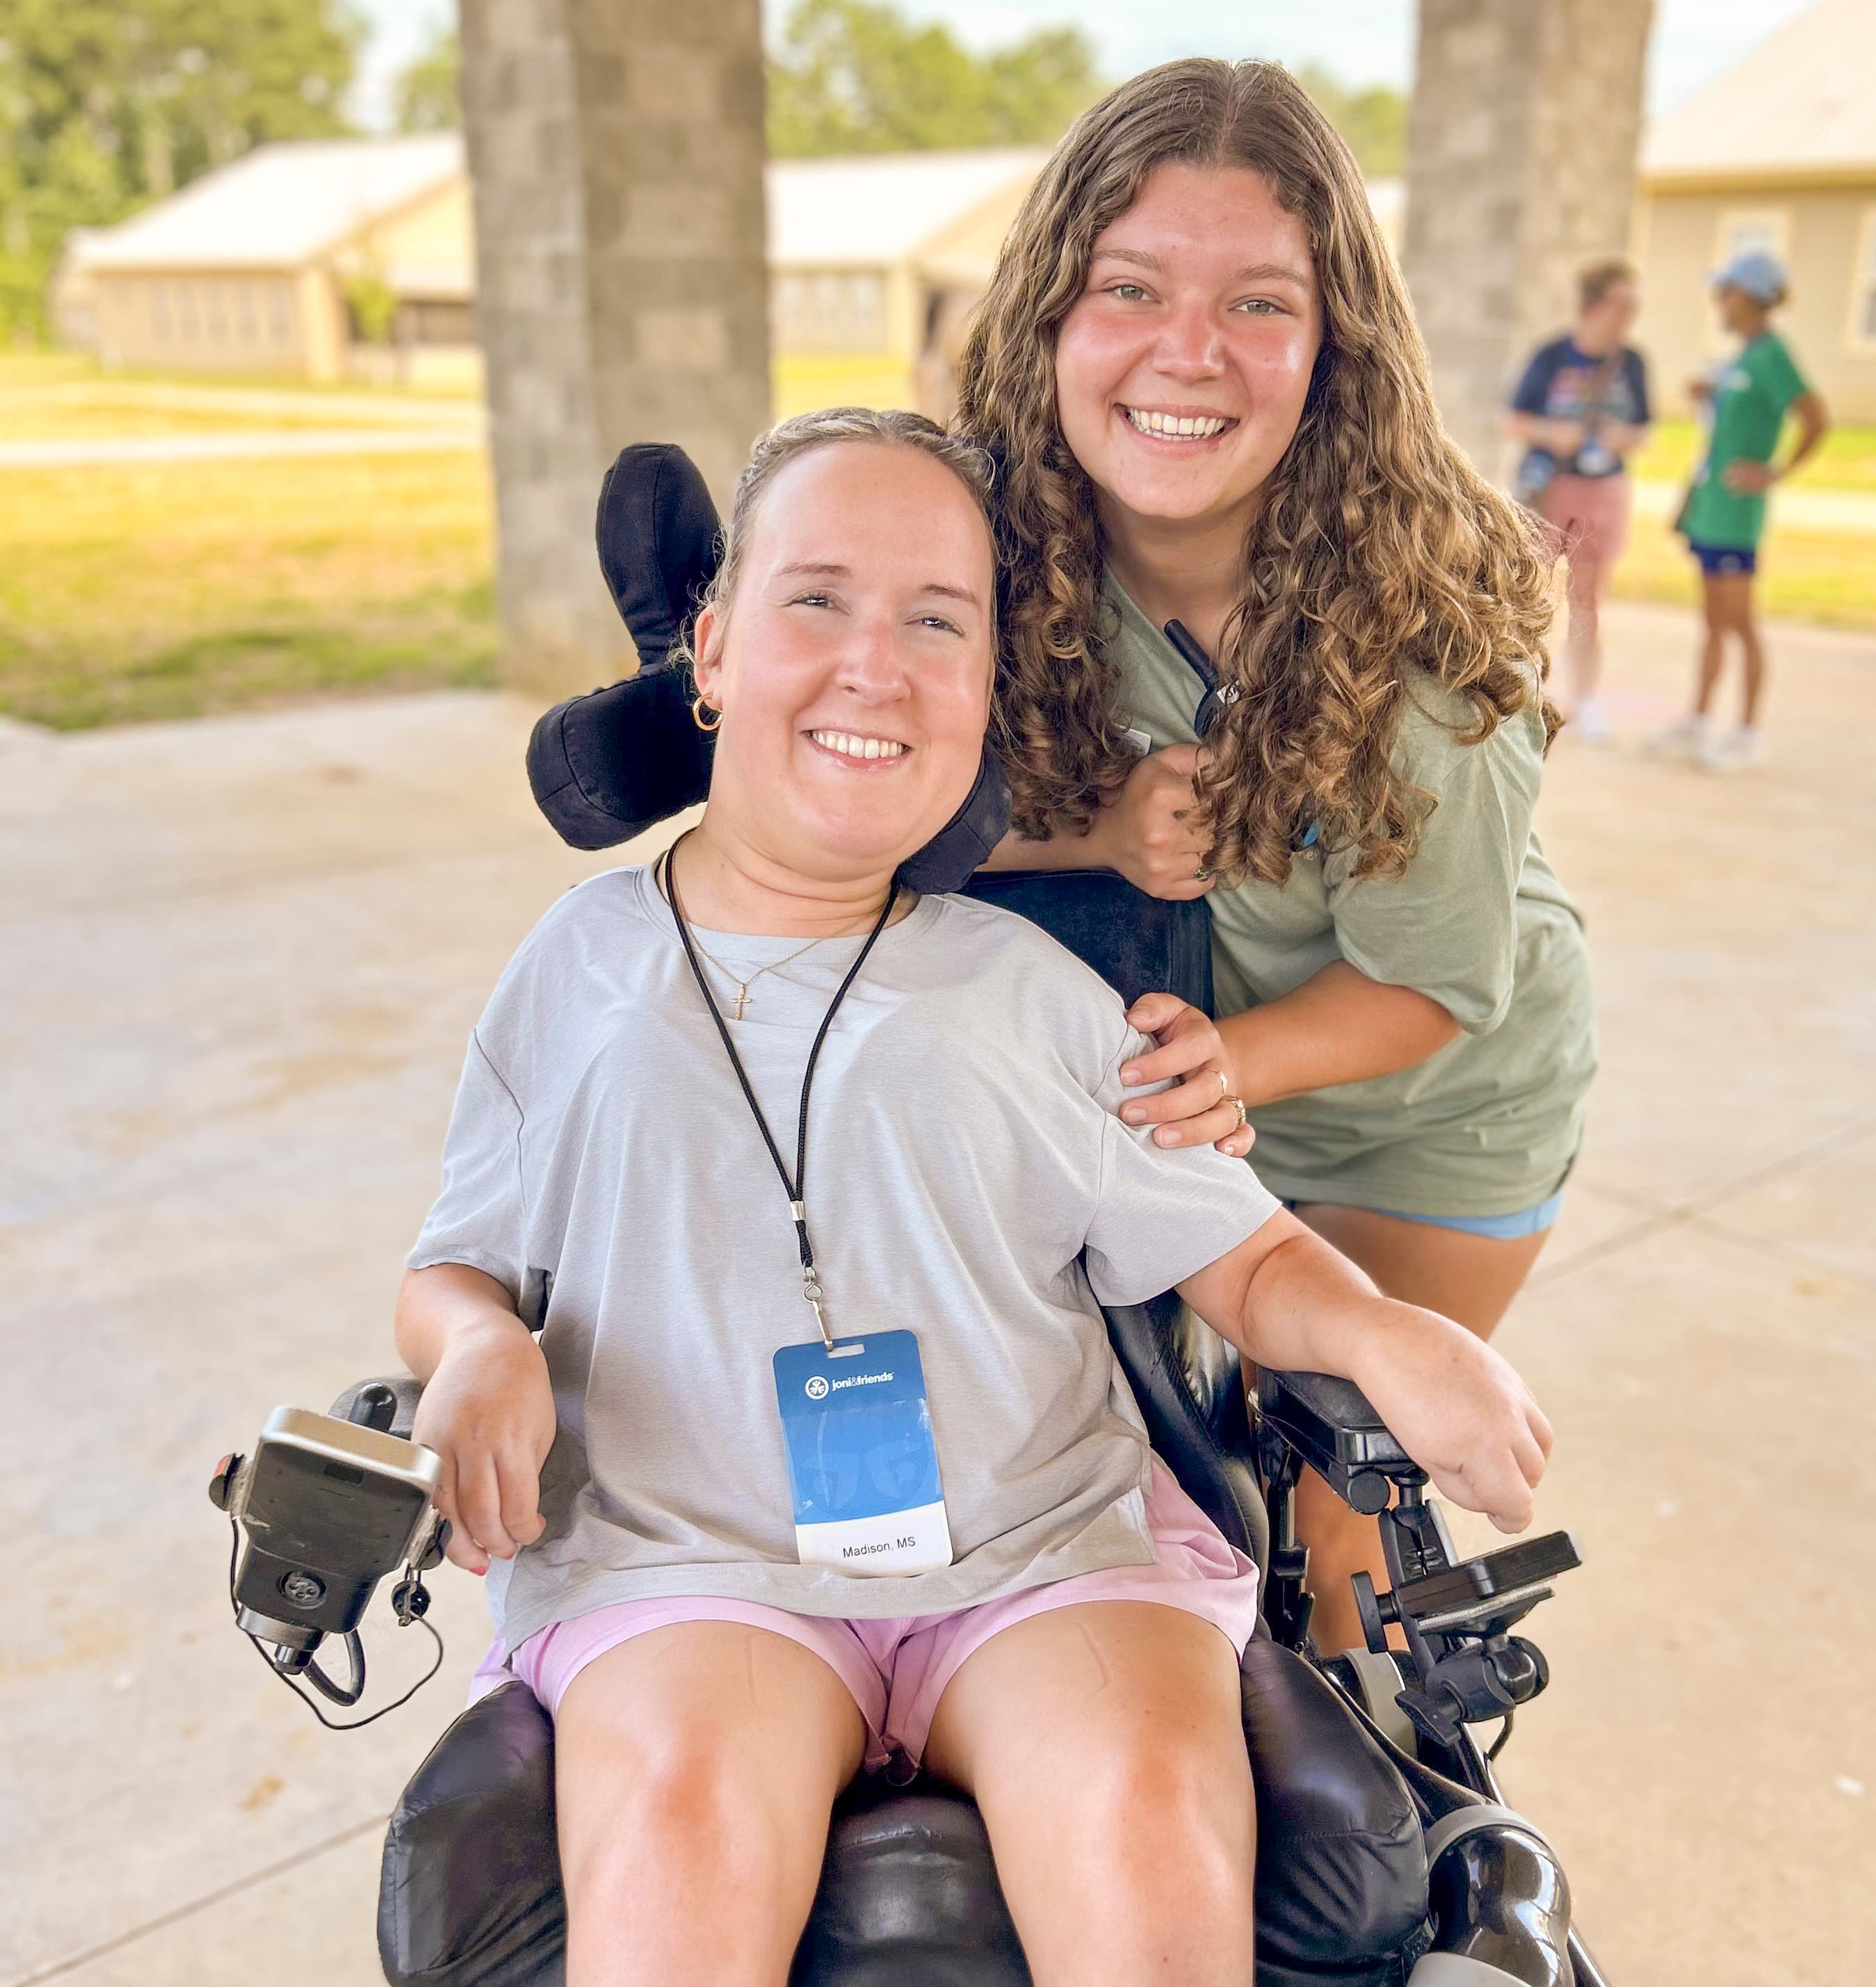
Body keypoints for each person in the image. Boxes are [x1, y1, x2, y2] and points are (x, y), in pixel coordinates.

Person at [398, 409, 1553, 1987]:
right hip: (690, 1553)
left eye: (938, 621)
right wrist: (476, 1348)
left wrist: (1388, 1335)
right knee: (676, 1823)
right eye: (819, 601)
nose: (878, 661)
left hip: (1036, 1546)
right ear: (713, 647)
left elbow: (1240, 1248)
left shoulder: (1035, 993)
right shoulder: (578, 973)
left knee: (1144, 1800)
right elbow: (454, 1264)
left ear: (986, 693)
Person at [954, 60, 1595, 1657]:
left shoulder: (1423, 617)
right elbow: (884, 792)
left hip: (1421, 1119)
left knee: (1322, 1488)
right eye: (1131, 288)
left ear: (1335, 346)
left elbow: (1434, 987)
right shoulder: (989, 538)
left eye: (1258, 303)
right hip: (1177, 1091)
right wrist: (1089, 829)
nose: (1189, 353)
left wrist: (1221, 1066)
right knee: (1122, 1477)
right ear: (1051, 314)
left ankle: (1387, 1789)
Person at [1653, 248, 1829, 773]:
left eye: (1726, 293)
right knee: (1711, 620)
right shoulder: (1741, 356)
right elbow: (1728, 426)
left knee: (1740, 622)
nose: (1719, 303)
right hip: (1711, 509)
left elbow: (1816, 418)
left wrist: (1775, 473)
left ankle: (1748, 732)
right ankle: (1699, 717)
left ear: (1751, 298)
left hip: (1738, 516)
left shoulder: (1774, 354)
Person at [1507, 258, 1652, 744]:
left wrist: (1622, 437)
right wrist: (1554, 433)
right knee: (1526, 591)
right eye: (1621, 303)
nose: (1629, 314)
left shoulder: (1632, 362)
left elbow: (1646, 428)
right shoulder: (1551, 356)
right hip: (1550, 487)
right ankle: (1515, 692)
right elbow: (1514, 418)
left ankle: (1583, 699)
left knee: (1587, 597)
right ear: (1594, 304)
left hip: (1604, 489)